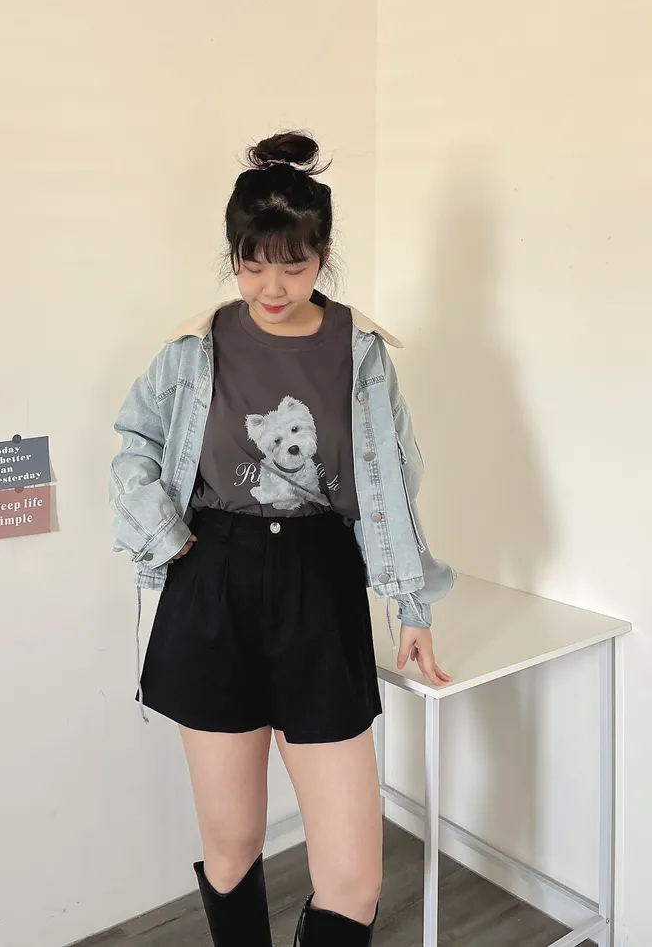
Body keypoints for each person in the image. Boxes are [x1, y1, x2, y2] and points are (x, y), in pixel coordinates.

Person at [109, 131, 454, 946]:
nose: (272, 286)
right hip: (213, 579)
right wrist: (165, 532)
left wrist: (411, 604)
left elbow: (390, 484)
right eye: (252, 264)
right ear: (233, 256)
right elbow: (135, 443)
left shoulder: (360, 352)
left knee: (354, 879)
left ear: (322, 256)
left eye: (293, 266)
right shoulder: (195, 348)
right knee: (232, 848)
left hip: (318, 584)